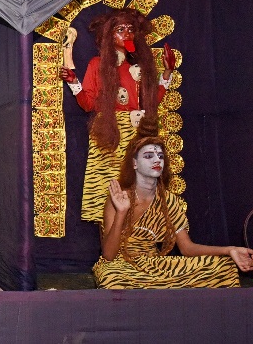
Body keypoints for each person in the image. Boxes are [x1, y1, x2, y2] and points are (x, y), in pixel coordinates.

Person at [93, 124, 253, 289]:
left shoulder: (169, 201)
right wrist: (121, 212)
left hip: (155, 266)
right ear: (134, 163)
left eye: (160, 156)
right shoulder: (119, 198)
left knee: (224, 268)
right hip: (122, 267)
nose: (157, 160)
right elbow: (108, 255)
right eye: (148, 156)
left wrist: (229, 250)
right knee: (110, 276)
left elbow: (187, 248)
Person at [59, 8, 176, 222]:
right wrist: (73, 81)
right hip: (108, 135)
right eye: (120, 29)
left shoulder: (141, 68)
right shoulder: (98, 65)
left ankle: (132, 242)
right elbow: (88, 104)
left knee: (135, 188)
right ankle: (110, 248)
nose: (127, 34)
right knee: (106, 191)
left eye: (131, 29)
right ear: (108, 34)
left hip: (136, 135)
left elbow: (152, 102)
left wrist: (167, 72)